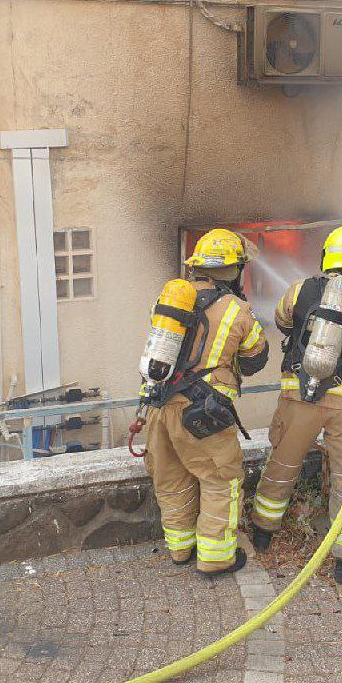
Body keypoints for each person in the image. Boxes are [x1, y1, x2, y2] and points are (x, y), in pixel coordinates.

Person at [250, 224, 342, 584]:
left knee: (282, 463)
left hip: (300, 396)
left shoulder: (301, 291)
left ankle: (263, 533)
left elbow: (284, 322)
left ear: (327, 256)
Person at [140, 229, 269, 576]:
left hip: (157, 407)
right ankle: (215, 557)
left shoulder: (170, 301)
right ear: (235, 269)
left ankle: (181, 549)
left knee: (171, 479)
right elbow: (257, 360)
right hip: (201, 415)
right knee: (221, 479)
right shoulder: (237, 311)